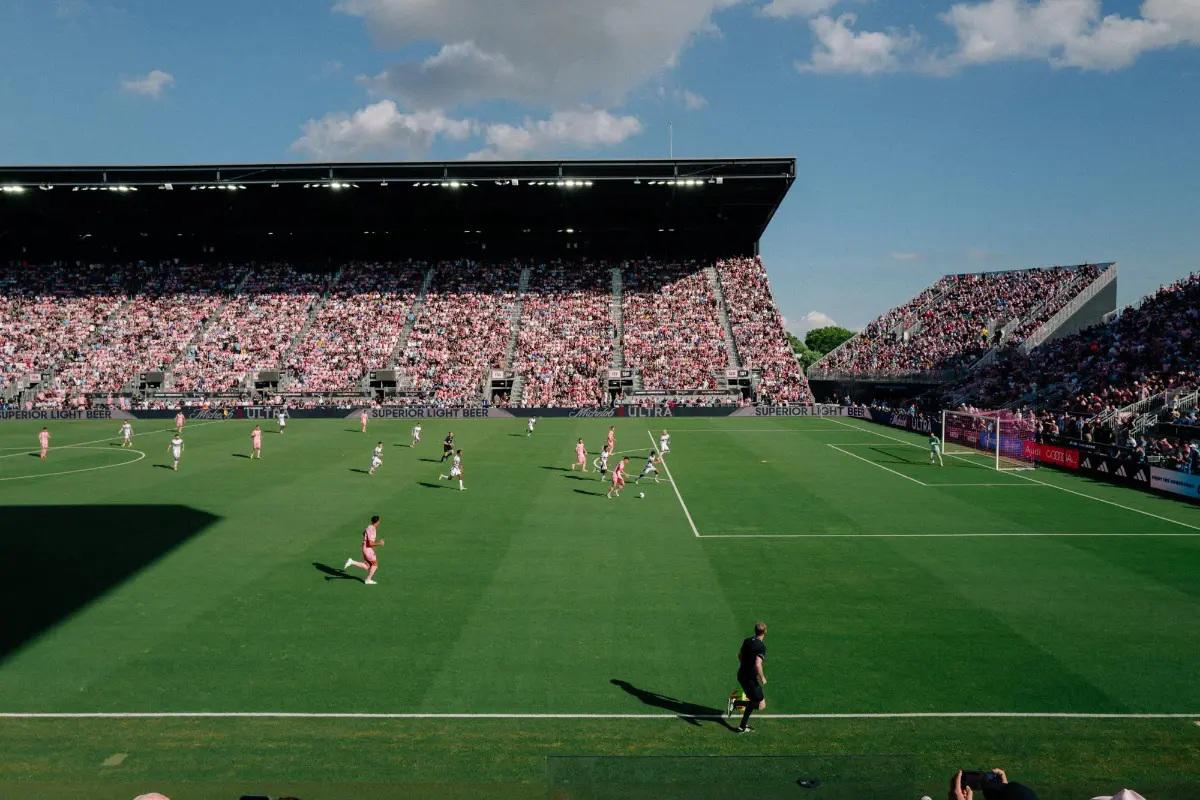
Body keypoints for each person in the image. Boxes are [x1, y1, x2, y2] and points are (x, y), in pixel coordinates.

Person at [727, 621, 767, 734]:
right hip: (750, 679)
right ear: (765, 632)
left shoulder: (747, 641)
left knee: (759, 703)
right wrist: (762, 678)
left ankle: (736, 706)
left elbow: (739, 655)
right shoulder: (761, 647)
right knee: (760, 704)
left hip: (741, 675)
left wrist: (745, 666)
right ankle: (741, 724)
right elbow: (758, 664)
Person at [344, 515, 384, 585]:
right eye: (379, 521)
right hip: (368, 549)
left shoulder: (369, 527)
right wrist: (380, 543)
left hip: (364, 548)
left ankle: (351, 562)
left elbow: (364, 533)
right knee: (375, 565)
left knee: (367, 566)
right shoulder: (373, 530)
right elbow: (370, 543)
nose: (379, 523)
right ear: (377, 522)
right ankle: (368, 580)